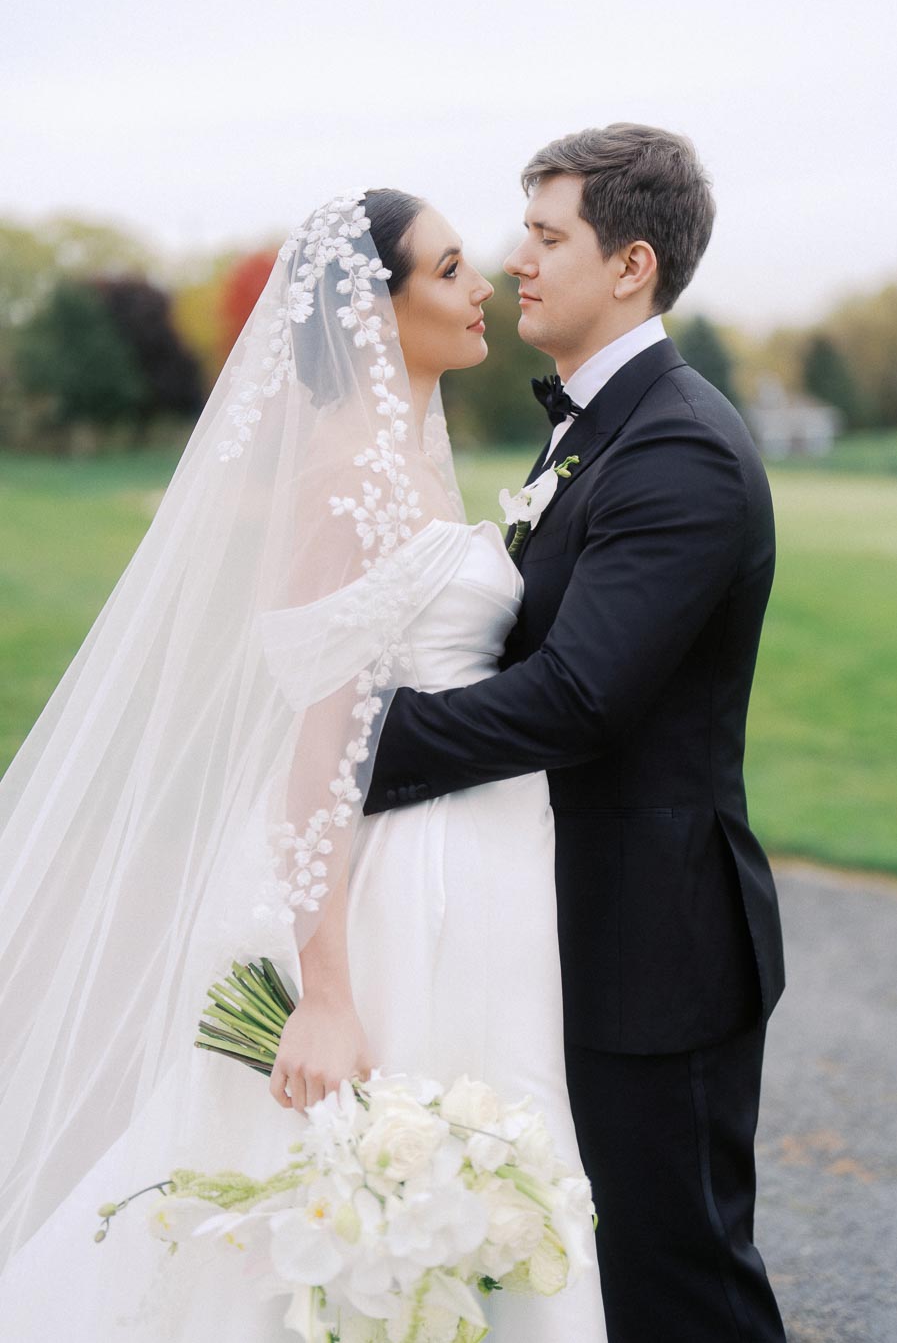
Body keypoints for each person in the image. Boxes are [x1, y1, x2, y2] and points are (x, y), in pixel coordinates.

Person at [0, 186, 606, 1338]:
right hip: (398, 884)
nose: (482, 286)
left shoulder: (413, 456)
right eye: (448, 269)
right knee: (357, 1176)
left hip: (483, 863)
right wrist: (325, 992)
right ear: (374, 313)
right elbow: (316, 748)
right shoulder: (347, 479)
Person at [361, 125, 789, 1343]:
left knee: (680, 1281)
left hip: (661, 940)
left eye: (548, 237)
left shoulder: (681, 448)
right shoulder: (596, 425)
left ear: (632, 265)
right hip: (582, 920)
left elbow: (579, 697)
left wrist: (363, 752)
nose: (518, 262)